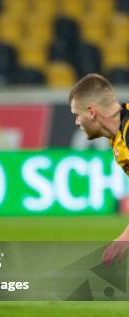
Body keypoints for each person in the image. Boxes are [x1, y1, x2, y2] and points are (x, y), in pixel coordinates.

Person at [69, 73, 129, 266]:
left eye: (77, 115)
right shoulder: (120, 136)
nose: (77, 122)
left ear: (91, 112)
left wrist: (124, 238)